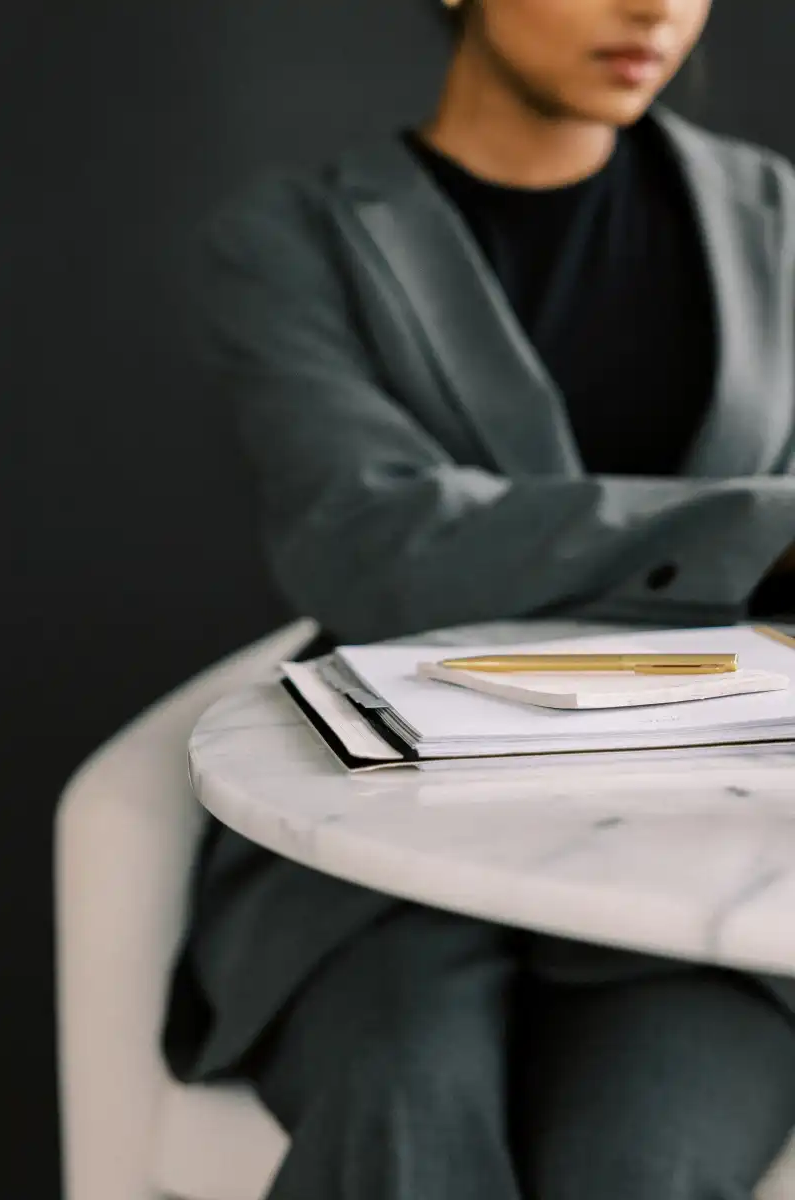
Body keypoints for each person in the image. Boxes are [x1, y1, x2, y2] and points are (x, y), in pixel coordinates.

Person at [164, 1, 795, 1196]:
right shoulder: (291, 238)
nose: (652, 7)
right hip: (370, 852)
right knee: (403, 1118)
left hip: (700, 853)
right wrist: (761, 523)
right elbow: (369, 542)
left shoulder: (776, 219)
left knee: (642, 1170)